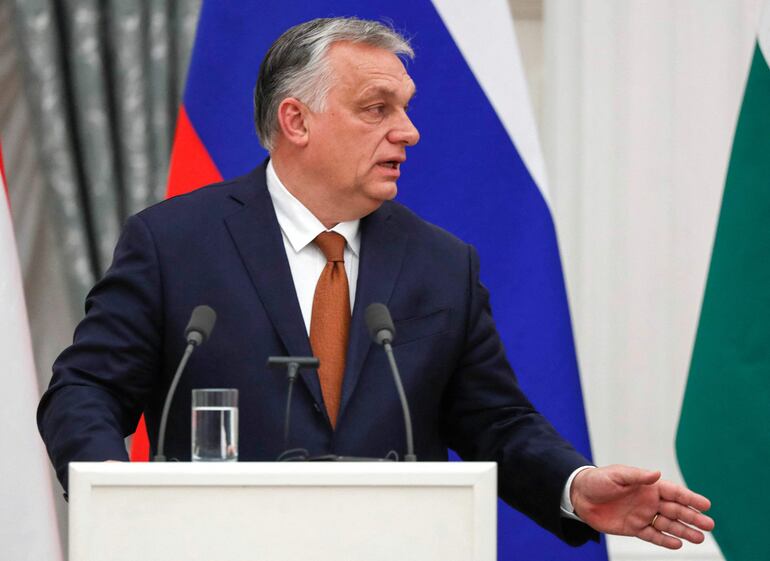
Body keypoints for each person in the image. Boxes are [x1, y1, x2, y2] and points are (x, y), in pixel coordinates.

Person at [38, 17, 713, 550]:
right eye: (377, 108)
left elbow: (496, 422)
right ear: (297, 121)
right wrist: (123, 501)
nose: (410, 131)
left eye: (406, 108)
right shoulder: (175, 243)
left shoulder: (442, 264)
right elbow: (84, 389)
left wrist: (574, 483)